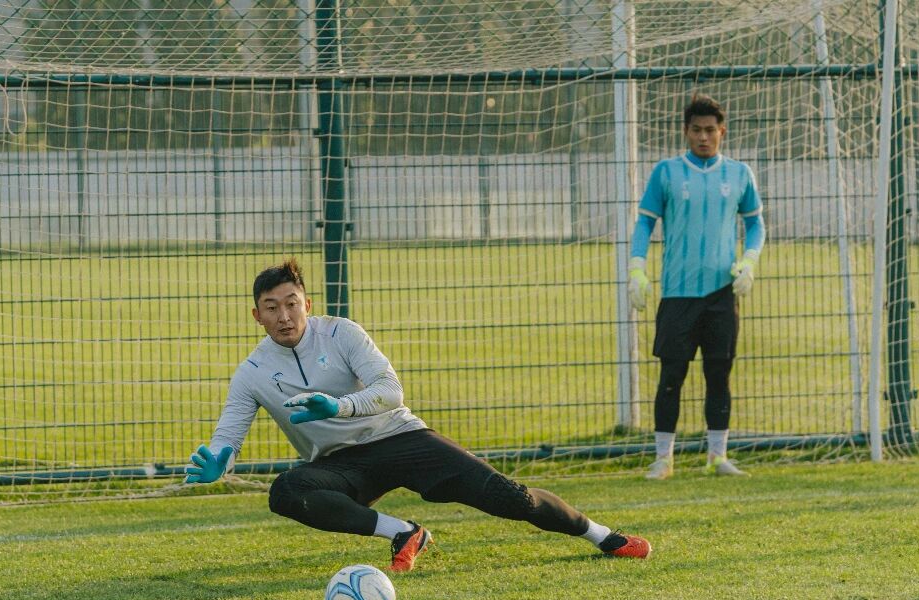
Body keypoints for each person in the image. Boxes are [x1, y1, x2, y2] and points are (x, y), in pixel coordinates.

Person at [185, 259, 651, 572]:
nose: (285, 316)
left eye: (291, 304)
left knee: (507, 496)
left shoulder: (342, 333)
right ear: (257, 316)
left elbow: (391, 391)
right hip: (342, 466)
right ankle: (405, 533)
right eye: (272, 308)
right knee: (287, 492)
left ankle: (601, 536)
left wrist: (340, 406)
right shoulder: (252, 372)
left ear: (307, 304)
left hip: (401, 438)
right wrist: (220, 461)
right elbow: (229, 434)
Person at [627, 93, 766, 480]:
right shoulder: (666, 172)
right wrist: (637, 267)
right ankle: (663, 458)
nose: (703, 137)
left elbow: (755, 223)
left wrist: (749, 260)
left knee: (719, 374)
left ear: (722, 132)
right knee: (671, 376)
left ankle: (717, 456)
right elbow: (645, 222)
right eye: (696, 130)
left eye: (710, 130)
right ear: (685, 132)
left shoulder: (739, 174)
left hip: (721, 293)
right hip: (677, 293)